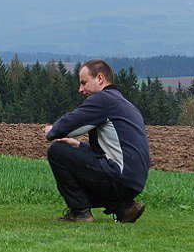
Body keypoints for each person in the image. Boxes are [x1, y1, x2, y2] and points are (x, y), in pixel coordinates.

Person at [43, 59, 150, 223]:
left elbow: (67, 126)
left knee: (57, 151)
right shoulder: (125, 104)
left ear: (100, 78)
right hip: (133, 182)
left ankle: (80, 213)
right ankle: (123, 206)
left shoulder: (103, 99)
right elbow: (114, 151)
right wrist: (79, 145)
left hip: (119, 178)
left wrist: (52, 130)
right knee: (74, 154)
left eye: (84, 83)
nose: (81, 89)